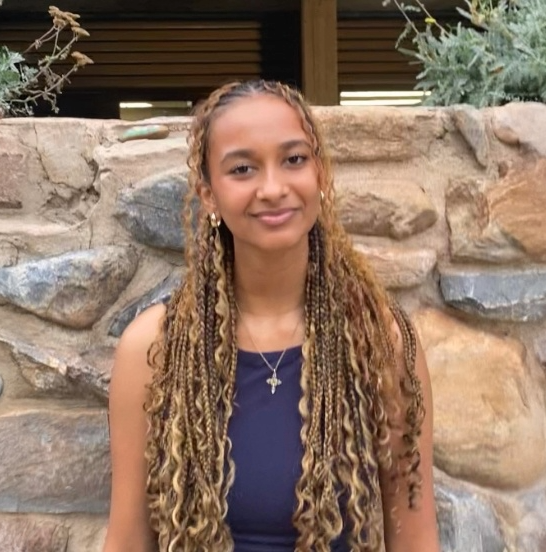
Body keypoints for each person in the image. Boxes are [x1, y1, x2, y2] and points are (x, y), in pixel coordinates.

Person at [103, 79, 439, 552]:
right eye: (242, 168)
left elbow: (416, 540)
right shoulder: (152, 350)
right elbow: (128, 541)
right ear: (208, 194)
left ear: (319, 174)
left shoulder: (379, 343)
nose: (273, 187)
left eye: (294, 159)